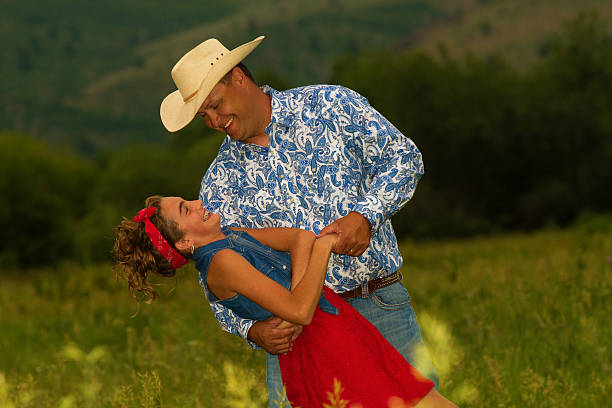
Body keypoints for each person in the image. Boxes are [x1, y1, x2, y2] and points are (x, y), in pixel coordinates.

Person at [159, 36, 439, 405]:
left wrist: (367, 215)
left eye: (214, 105)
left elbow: (404, 158)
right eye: (203, 116)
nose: (214, 121)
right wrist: (252, 329)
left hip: (378, 305)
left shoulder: (330, 105)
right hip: (299, 339)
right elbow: (215, 280)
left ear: (239, 78)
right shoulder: (217, 184)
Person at [112, 195, 457, 408]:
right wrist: (320, 254)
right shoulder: (220, 264)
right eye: (187, 210)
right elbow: (300, 311)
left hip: (340, 325)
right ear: (186, 242)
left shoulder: (234, 237)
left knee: (421, 398)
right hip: (324, 347)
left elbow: (299, 237)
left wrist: (298, 288)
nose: (200, 203)